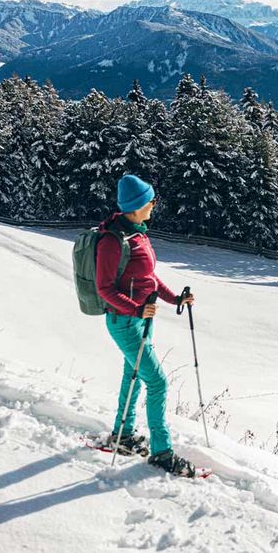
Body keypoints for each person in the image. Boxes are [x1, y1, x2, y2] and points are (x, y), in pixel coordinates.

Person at [96, 173, 194, 475]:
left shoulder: (138, 234)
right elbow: (104, 289)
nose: (154, 204)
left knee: (135, 375)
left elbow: (149, 279)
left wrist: (175, 299)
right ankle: (162, 452)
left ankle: (122, 436)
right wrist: (137, 310)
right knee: (158, 382)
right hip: (124, 322)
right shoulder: (113, 241)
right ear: (137, 205)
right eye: (151, 200)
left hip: (139, 321)